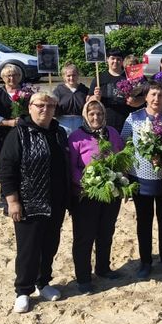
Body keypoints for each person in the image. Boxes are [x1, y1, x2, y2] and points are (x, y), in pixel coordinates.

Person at [0, 91, 70, 314]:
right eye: (40, 105)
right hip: (29, 202)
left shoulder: (59, 132)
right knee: (28, 249)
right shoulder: (19, 133)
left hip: (55, 201)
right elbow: (6, 169)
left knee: (49, 245)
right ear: (30, 107)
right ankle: (23, 290)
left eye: (49, 106)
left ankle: (43, 282)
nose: (44, 110)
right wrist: (13, 201)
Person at [121, 81, 162, 279]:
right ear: (146, 96)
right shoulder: (133, 119)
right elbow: (125, 145)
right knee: (144, 222)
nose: (157, 99)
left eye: (161, 95)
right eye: (153, 94)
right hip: (141, 179)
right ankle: (145, 262)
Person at [68, 101, 125, 294]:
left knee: (106, 232)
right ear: (85, 115)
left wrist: (118, 178)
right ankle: (83, 277)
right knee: (85, 236)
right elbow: (72, 167)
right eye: (91, 114)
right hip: (86, 194)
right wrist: (87, 183)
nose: (96, 118)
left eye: (99, 114)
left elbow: (121, 157)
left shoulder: (113, 133)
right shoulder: (76, 137)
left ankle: (103, 268)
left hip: (110, 192)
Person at [0, 64, 26, 207]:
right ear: (3, 78)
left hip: (24, 134)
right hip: (4, 135)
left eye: (15, 75)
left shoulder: (26, 92)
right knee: (6, 166)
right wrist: (8, 123)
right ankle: (6, 198)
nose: (12, 78)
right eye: (8, 75)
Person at [89, 49, 143, 132]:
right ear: (107, 59)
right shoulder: (99, 78)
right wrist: (96, 97)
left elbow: (144, 98)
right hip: (105, 122)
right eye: (113, 58)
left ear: (122, 61)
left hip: (127, 122)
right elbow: (88, 101)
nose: (115, 61)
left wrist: (134, 101)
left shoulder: (131, 77)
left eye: (118, 59)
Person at [53, 63, 90, 136]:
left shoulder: (84, 90)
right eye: (68, 76)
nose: (71, 78)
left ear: (78, 75)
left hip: (80, 122)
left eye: (74, 75)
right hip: (63, 122)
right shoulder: (58, 91)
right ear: (64, 77)